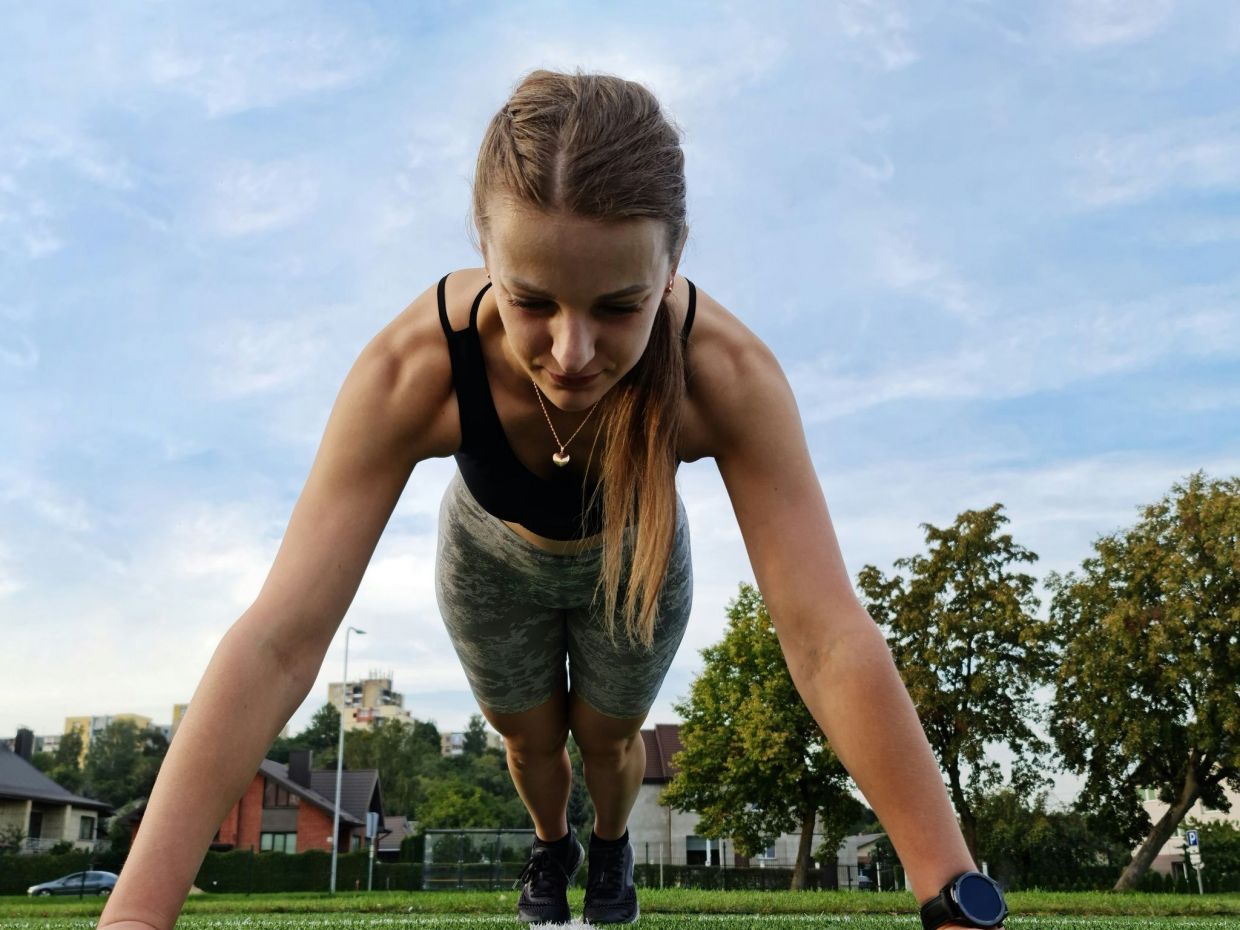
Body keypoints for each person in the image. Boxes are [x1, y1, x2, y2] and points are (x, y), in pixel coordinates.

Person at [99, 69, 1005, 929]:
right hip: (489, 554)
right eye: (532, 300)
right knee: (532, 742)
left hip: (635, 553)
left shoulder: (724, 374)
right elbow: (278, 641)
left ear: (674, 260)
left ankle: (609, 848)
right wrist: (136, 914)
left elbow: (826, 636)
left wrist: (950, 893)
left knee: (608, 742)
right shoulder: (415, 371)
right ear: (485, 251)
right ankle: (553, 844)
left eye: (619, 306)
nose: (573, 352)